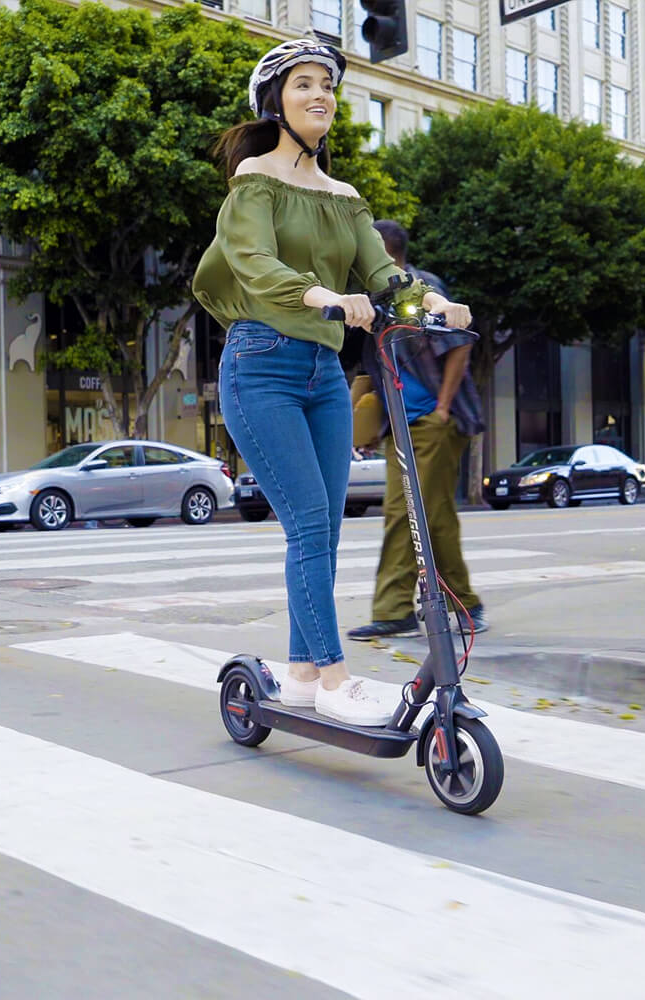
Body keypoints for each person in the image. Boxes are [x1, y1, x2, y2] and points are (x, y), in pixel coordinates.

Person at [192, 39, 472, 727]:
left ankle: (298, 675)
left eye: (328, 86)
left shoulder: (345, 197)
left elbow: (382, 273)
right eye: (304, 85)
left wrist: (431, 303)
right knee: (310, 523)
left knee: (322, 534)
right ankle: (336, 679)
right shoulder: (252, 182)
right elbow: (253, 264)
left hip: (322, 374)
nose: (320, 95)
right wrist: (320, 296)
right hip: (261, 366)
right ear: (275, 103)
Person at [347, 220, 486, 641]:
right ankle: (464, 602)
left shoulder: (422, 287)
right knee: (427, 514)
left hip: (432, 421)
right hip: (400, 425)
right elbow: (370, 366)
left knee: (408, 512)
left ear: (385, 252)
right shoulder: (372, 300)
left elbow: (459, 341)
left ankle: (394, 609)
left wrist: (442, 408)